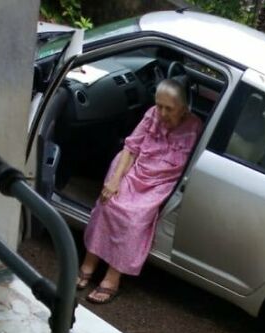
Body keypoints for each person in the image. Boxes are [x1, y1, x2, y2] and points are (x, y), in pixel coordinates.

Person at [77, 78, 202, 305]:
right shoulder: (152, 113)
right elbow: (131, 147)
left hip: (161, 181)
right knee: (109, 202)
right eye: (159, 106)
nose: (161, 113)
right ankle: (89, 263)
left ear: (183, 109)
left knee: (133, 219)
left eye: (169, 108)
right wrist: (116, 180)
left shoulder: (194, 126)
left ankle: (112, 277)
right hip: (136, 168)